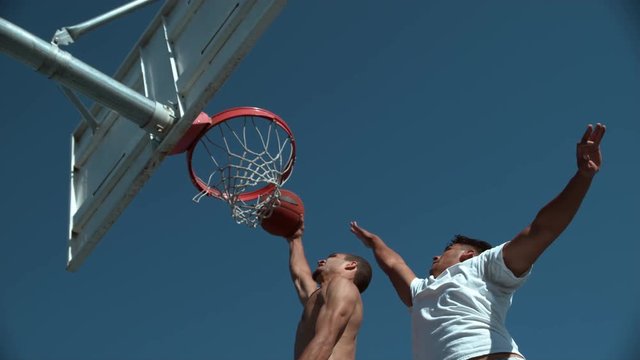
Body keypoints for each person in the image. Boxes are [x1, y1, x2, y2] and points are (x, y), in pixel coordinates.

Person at [350, 123, 606, 360]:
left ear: (468, 255)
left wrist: (582, 177)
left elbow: (541, 230)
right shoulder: (421, 292)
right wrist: (374, 243)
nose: (434, 257)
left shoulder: (484, 266)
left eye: (446, 250)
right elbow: (394, 263)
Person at [283, 217, 373, 360]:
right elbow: (300, 276)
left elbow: (326, 339)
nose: (321, 260)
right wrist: (295, 239)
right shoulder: (320, 296)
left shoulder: (344, 286)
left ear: (350, 265)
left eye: (332, 257)